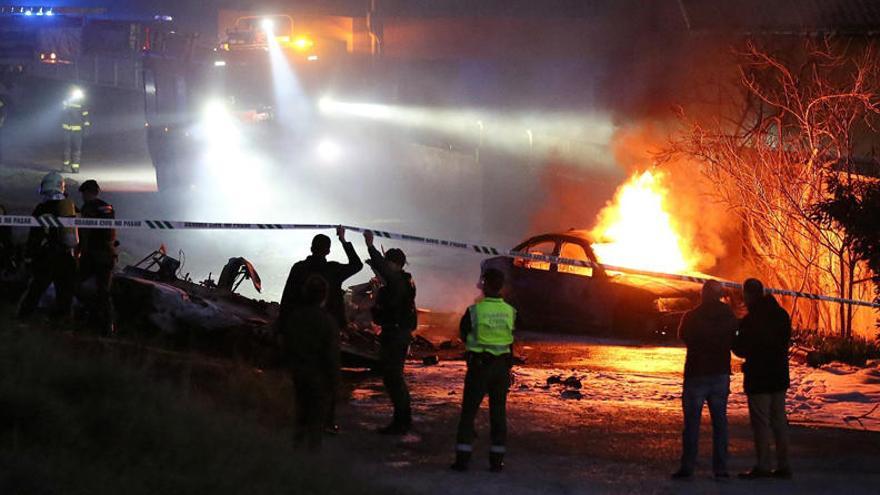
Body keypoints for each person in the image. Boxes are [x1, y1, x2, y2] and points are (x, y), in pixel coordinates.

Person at [278, 226, 362, 433]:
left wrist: (281, 327)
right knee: (327, 374)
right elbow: (357, 264)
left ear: (311, 247)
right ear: (327, 250)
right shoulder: (333, 269)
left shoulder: (298, 268)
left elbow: (286, 298)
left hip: (300, 327)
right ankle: (327, 421)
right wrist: (344, 240)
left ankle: (302, 421)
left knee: (302, 373)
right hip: (328, 327)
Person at [451, 268, 516, 473]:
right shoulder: (510, 311)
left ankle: (462, 460)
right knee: (498, 414)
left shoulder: (474, 311)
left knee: (469, 413)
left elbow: (463, 334)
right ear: (502, 287)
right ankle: (496, 461)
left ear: (485, 284)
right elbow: (512, 336)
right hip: (501, 369)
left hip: (479, 368)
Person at [671, 280, 738, 480]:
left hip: (696, 374)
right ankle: (721, 468)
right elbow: (735, 338)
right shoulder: (728, 315)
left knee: (691, 423)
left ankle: (688, 467)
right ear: (719, 295)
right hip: (720, 374)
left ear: (702, 294)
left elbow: (682, 336)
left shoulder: (691, 316)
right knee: (720, 423)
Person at [733, 278, 793, 480]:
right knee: (779, 421)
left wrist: (736, 333)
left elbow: (741, 349)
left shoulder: (750, 320)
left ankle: (763, 465)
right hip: (778, 375)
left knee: (761, 423)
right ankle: (784, 465)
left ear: (748, 295)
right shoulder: (781, 315)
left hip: (758, 378)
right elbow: (785, 341)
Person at [364, 230, 417, 435]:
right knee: (392, 378)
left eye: (388, 264)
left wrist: (370, 245)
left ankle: (402, 421)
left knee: (394, 378)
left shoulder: (397, 283)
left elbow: (384, 271)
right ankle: (402, 419)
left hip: (395, 335)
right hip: (398, 333)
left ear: (394, 264)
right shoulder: (404, 282)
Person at [280, 274, 340, 451]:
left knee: (300, 414)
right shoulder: (328, 322)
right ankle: (311, 458)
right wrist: (335, 382)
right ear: (324, 296)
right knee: (316, 420)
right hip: (318, 378)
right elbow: (331, 355)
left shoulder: (295, 317)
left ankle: (296, 449)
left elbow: (286, 345)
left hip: (297, 374)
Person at [17, 172, 78, 319]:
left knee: (36, 288)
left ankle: (24, 316)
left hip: (45, 256)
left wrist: (29, 255)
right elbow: (75, 235)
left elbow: (35, 235)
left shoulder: (41, 209)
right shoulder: (70, 207)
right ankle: (62, 320)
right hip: (65, 256)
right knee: (64, 291)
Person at [77, 179, 117, 335]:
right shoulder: (107, 207)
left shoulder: (89, 208)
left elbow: (85, 232)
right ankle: (107, 326)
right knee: (103, 292)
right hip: (108, 255)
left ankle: (92, 318)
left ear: (87, 193)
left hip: (93, 255)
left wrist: (80, 250)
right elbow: (111, 233)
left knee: (76, 284)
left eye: (83, 194)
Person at [62, 86, 90, 173]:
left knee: (77, 149)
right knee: (66, 148)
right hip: (67, 129)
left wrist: (86, 129)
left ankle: (75, 167)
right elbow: (62, 112)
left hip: (77, 130)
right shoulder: (66, 101)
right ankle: (65, 166)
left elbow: (85, 116)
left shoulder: (82, 103)